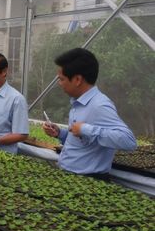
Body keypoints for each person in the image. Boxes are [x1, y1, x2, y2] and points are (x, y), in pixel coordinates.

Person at [42, 48, 136, 179]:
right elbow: (81, 141)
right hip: (69, 176)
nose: (59, 83)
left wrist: (85, 129)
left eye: (62, 79)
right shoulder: (78, 102)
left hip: (89, 180)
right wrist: (60, 133)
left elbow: (129, 141)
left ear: (77, 79)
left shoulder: (99, 105)